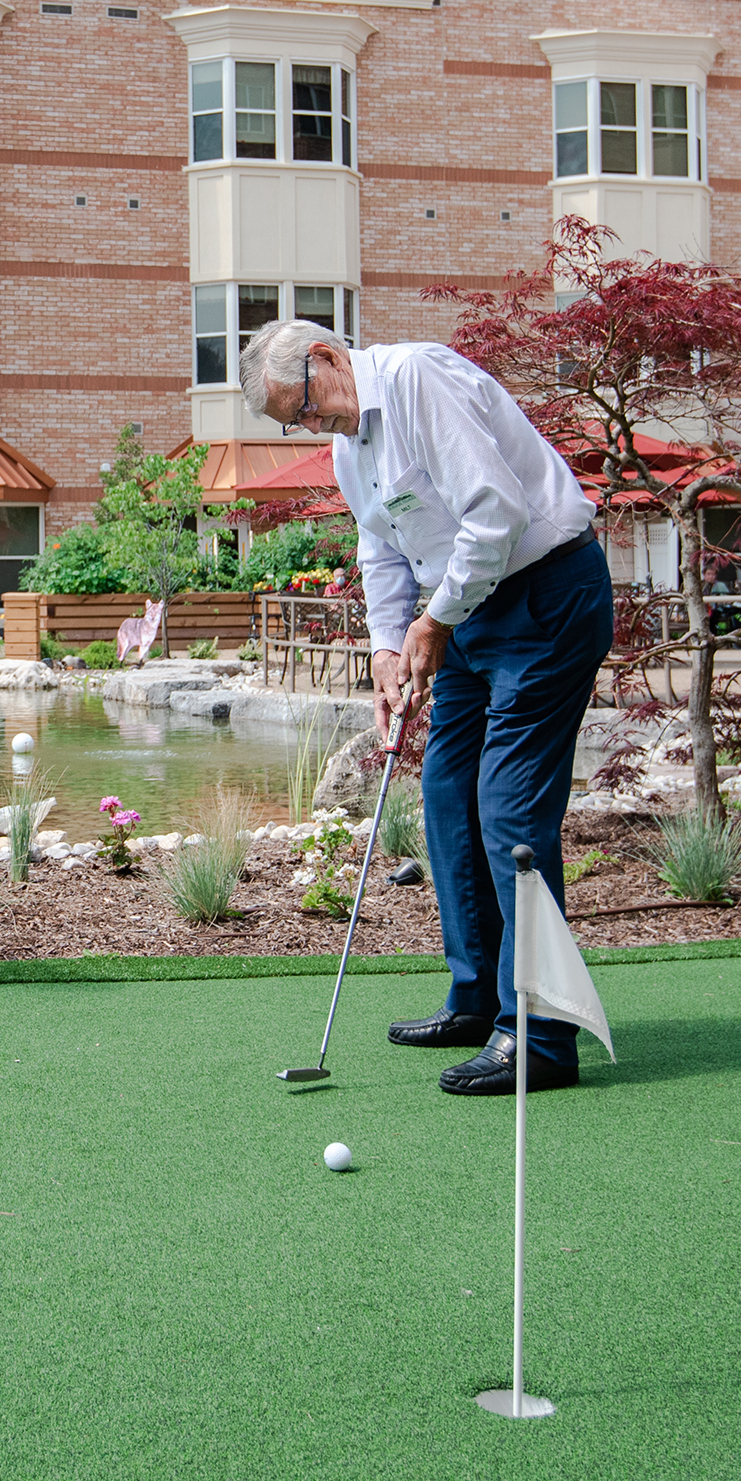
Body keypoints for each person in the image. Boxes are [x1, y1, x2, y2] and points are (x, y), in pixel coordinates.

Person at [239, 318, 612, 1093]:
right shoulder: (349, 444)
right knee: (445, 796)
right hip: (470, 613)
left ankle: (540, 1036)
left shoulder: (417, 379)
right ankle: (479, 999)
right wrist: (384, 649)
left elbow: (495, 513)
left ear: (324, 358)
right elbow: (381, 548)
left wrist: (434, 620)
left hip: (544, 598)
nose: (310, 426)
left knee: (510, 814)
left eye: (303, 408)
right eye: (293, 425)